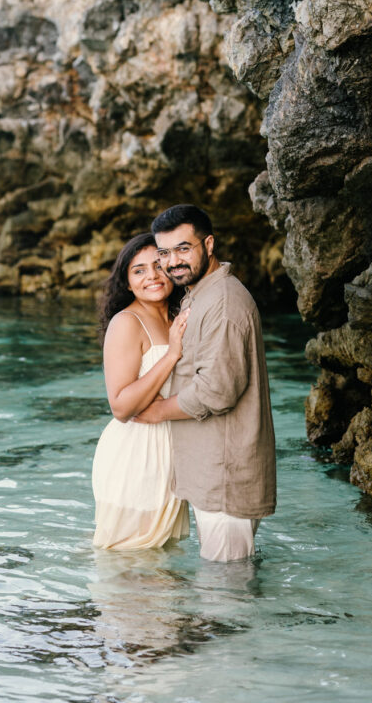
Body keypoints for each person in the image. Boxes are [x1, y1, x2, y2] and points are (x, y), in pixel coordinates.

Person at [135, 204, 276, 563]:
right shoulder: (201, 296)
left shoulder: (223, 303)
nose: (172, 262)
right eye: (164, 252)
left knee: (225, 587)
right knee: (225, 582)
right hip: (214, 472)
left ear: (208, 245)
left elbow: (217, 389)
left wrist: (157, 412)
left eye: (183, 248)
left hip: (225, 477)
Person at [92, 232, 190, 550]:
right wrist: (172, 354)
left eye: (159, 265)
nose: (152, 276)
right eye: (139, 270)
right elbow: (120, 407)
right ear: (127, 283)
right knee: (128, 558)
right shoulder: (127, 322)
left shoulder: (179, 315)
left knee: (161, 561)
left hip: (170, 450)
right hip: (135, 453)